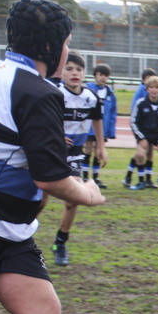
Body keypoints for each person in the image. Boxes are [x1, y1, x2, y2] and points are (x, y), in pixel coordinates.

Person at [0, 0, 103, 314]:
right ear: (55, 46)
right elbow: (51, 179)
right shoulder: (38, 92)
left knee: (42, 313)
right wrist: (89, 193)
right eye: (68, 44)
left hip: (8, 233)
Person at [51, 51, 107, 267]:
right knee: (38, 201)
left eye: (79, 69)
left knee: (73, 198)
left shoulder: (91, 97)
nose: (74, 73)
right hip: (50, 152)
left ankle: (60, 242)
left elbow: (97, 120)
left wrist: (101, 147)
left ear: (85, 73)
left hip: (74, 154)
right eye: (69, 68)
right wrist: (54, 136)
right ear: (61, 72)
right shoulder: (54, 93)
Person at [129, 75, 158, 191]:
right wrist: (141, 138)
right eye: (151, 87)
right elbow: (133, 122)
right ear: (147, 89)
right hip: (145, 136)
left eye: (157, 87)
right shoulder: (140, 104)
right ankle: (141, 182)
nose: (154, 90)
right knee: (140, 155)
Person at [84, 63, 117, 188]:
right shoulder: (89, 90)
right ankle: (85, 176)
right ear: (95, 76)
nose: (103, 78)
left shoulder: (110, 94)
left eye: (106, 75)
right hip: (89, 127)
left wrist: (111, 131)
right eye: (100, 75)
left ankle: (96, 178)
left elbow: (113, 113)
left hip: (102, 128)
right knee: (88, 149)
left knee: (99, 152)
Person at [123, 68, 157, 187]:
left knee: (150, 152)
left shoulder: (155, 93)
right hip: (142, 128)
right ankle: (129, 176)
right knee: (140, 153)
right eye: (148, 79)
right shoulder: (140, 92)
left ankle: (148, 179)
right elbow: (134, 110)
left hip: (151, 128)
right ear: (143, 81)